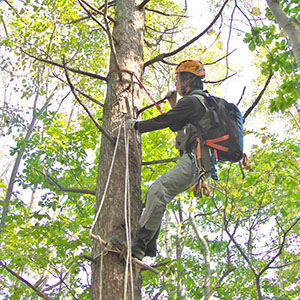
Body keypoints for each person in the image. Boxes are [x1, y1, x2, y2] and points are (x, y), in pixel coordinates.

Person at [111, 59, 212, 260]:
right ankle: (147, 247)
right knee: (156, 193)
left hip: (197, 158)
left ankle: (139, 245)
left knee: (159, 191)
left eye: (178, 80)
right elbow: (179, 124)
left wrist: (136, 126)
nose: (176, 84)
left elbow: (166, 121)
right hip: (201, 158)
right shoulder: (201, 102)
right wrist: (174, 103)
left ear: (188, 80)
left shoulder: (193, 101)